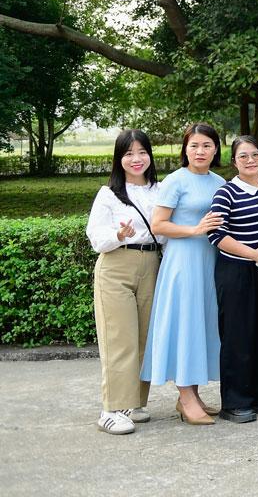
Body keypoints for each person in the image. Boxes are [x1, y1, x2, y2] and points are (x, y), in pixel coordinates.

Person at [142, 122, 226, 425]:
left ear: (216, 148)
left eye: (206, 145)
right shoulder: (175, 180)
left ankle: (192, 395)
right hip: (183, 262)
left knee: (201, 324)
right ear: (185, 149)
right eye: (194, 146)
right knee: (185, 323)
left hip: (211, 260)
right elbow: (159, 224)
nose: (200, 151)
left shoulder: (219, 181)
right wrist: (195, 229)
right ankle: (186, 397)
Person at [86, 129, 161, 434]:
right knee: (120, 340)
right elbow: (96, 238)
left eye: (142, 152)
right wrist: (118, 235)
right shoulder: (108, 194)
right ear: (119, 158)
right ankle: (111, 410)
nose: (136, 159)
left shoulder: (160, 189)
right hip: (116, 266)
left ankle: (134, 404)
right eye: (128, 153)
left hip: (151, 264)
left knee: (145, 338)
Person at [207, 135, 258, 423]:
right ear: (234, 161)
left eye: (255, 154)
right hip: (235, 271)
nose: (251, 160)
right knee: (237, 336)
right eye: (243, 156)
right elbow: (217, 235)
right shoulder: (225, 193)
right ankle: (234, 402)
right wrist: (254, 255)